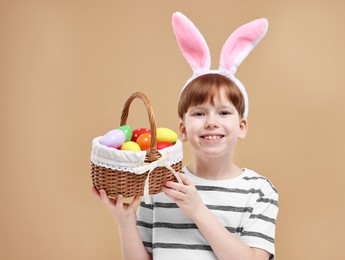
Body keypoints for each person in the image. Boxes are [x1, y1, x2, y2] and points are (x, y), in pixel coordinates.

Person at [92, 12, 279, 260]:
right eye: (199, 114)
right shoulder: (159, 183)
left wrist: (197, 210)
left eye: (224, 112)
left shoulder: (258, 190)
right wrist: (126, 222)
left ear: (242, 126)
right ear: (182, 130)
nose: (212, 123)